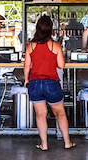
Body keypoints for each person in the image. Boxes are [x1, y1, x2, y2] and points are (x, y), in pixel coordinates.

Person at [23, 15, 75, 150]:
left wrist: (27, 80)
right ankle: (67, 142)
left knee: (41, 114)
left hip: (35, 84)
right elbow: (61, 65)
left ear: (37, 28)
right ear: (51, 30)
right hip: (51, 83)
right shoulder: (55, 45)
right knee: (60, 113)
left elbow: (27, 66)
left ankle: (44, 144)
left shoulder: (31, 46)